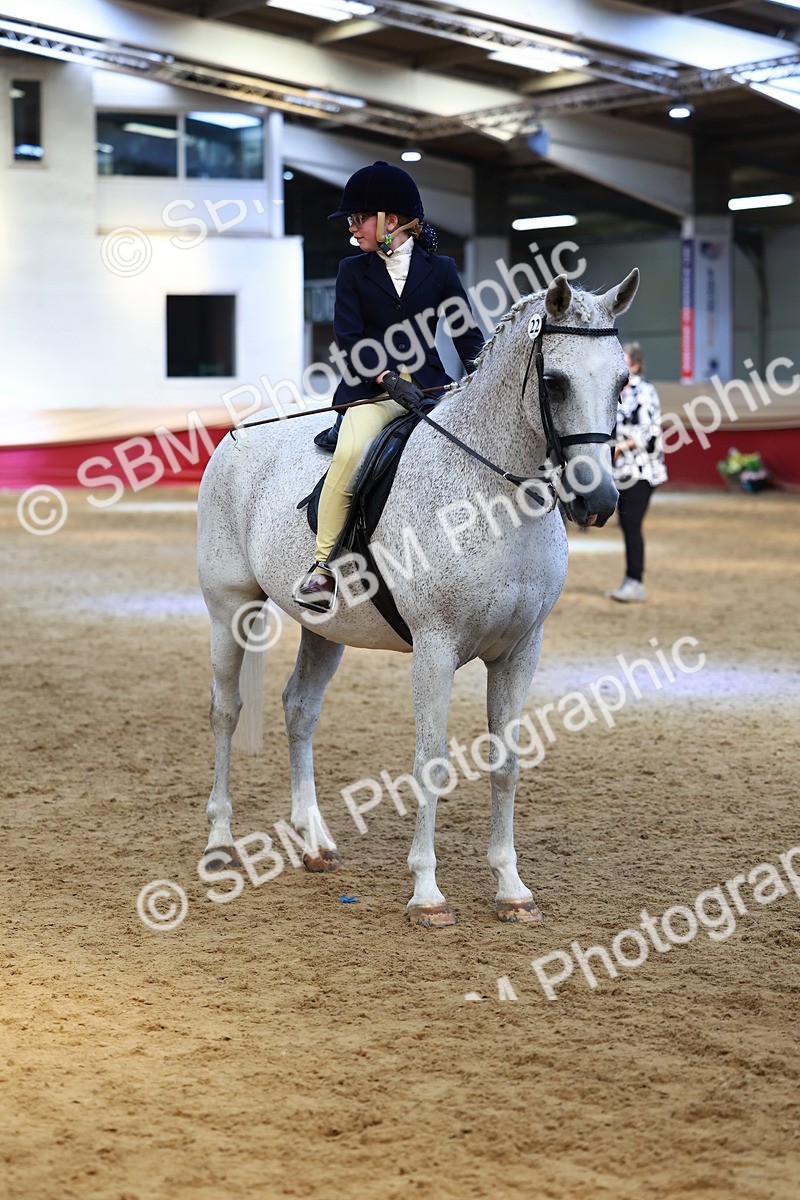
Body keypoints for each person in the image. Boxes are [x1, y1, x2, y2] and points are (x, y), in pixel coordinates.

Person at [295, 160, 485, 613]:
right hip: (372, 392)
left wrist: (484, 370)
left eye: (357, 219)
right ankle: (322, 568)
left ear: (390, 221)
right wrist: (385, 377)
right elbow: (349, 337)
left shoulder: (440, 270)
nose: (352, 229)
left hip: (431, 391)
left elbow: (466, 333)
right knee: (350, 454)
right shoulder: (351, 270)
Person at [607, 341, 668, 603]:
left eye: (624, 361)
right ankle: (632, 580)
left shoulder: (644, 391)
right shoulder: (617, 391)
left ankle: (635, 582)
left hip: (643, 469)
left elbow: (650, 431)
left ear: (636, 365)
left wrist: (622, 446)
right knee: (626, 524)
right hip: (621, 469)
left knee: (631, 524)